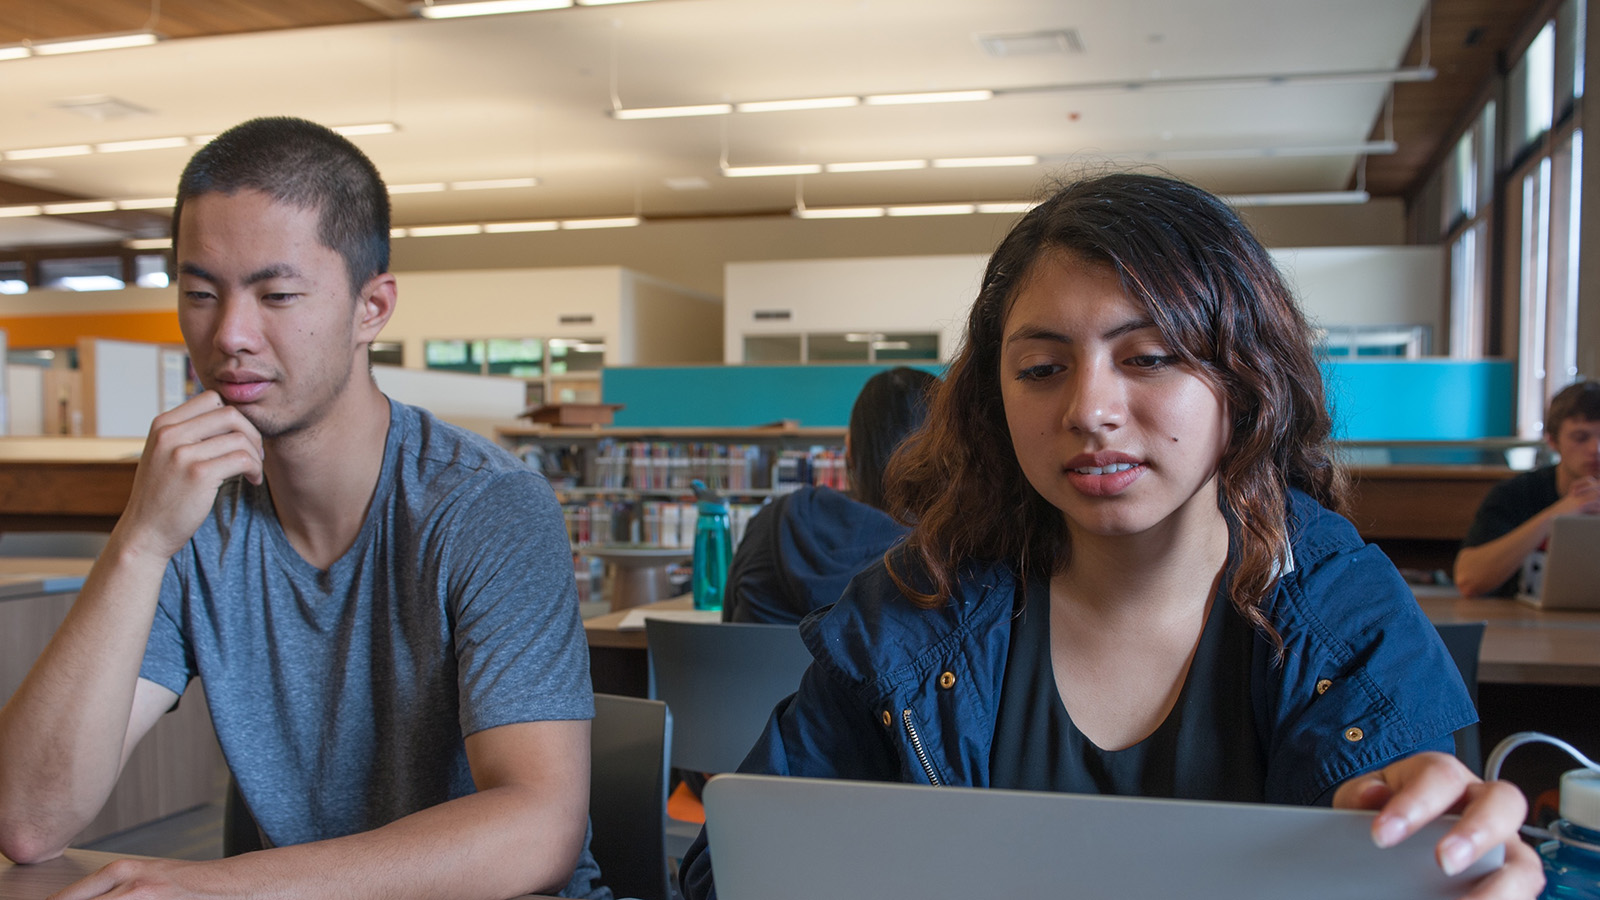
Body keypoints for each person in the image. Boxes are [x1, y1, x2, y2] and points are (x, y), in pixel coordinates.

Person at [680, 173, 1540, 899]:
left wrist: (1421, 844)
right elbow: (732, 866)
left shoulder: (1344, 610)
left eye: (1151, 356)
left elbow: (1397, 805)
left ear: (1247, 377)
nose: (1089, 410)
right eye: (1042, 369)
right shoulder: (913, 610)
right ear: (995, 397)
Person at [0, 117, 606, 900]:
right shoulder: (192, 515)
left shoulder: (484, 505)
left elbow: (538, 828)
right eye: (198, 295)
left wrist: (227, 887)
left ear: (371, 308)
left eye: (277, 294)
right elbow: (29, 820)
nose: (230, 335)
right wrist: (140, 541)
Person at [722, 366, 937, 624]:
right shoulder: (937, 559)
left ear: (848, 452)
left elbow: (727, 628)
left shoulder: (769, 522)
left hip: (750, 665)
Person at [1453, 379, 1600, 597]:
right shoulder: (1516, 493)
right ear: (1552, 441)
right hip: (1521, 626)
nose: (1595, 449)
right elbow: (1469, 579)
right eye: (1580, 438)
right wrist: (1558, 514)